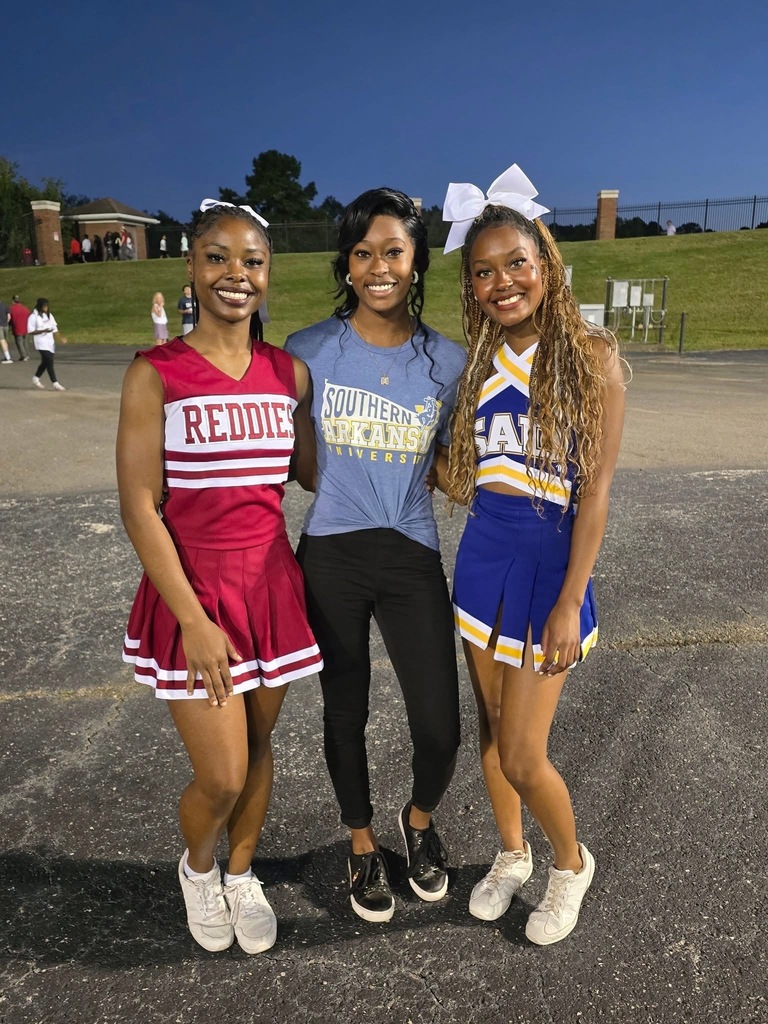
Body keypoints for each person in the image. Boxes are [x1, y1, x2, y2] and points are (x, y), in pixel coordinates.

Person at [117, 200, 323, 955]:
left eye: (253, 260)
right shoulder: (156, 374)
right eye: (219, 257)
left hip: (271, 587)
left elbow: (308, 475)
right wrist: (195, 622)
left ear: (269, 274)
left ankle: (242, 873)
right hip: (193, 598)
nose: (237, 274)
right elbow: (140, 507)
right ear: (192, 269)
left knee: (260, 749)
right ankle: (198, 866)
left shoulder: (289, 374)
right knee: (223, 774)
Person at [440, 164, 625, 945]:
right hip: (484, 556)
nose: (502, 281)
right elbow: (465, 468)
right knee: (489, 729)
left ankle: (569, 862)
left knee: (522, 751)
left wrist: (568, 598)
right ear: (472, 286)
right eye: (483, 271)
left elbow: (598, 494)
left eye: (516, 262)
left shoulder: (591, 356)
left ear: (546, 265)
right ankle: (511, 853)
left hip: (552, 564)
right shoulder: (477, 364)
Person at [285, 188, 466, 923]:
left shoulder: (447, 362)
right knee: (344, 708)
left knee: (439, 724)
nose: (378, 266)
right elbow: (297, 459)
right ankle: (361, 842)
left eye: (393, 250)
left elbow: (452, 464)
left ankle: (417, 822)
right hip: (330, 551)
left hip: (411, 550)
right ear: (347, 265)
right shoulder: (308, 349)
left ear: (416, 259)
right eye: (363, 253)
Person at [27, 298, 68, 390]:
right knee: (49, 361)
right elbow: (30, 331)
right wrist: (43, 330)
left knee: (46, 362)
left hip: (50, 342)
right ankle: (55, 383)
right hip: (40, 342)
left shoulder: (49, 316)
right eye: (44, 306)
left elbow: (55, 328)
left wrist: (60, 337)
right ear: (39, 306)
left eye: (47, 306)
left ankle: (36, 378)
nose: (46, 308)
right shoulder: (33, 317)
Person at [9, 295, 31, 360]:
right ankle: (26, 354)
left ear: (13, 301)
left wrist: (9, 325)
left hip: (17, 328)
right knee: (25, 341)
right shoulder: (25, 308)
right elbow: (29, 316)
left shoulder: (11, 309)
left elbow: (9, 318)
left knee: (19, 342)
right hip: (25, 327)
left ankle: (23, 356)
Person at [0, 297, 12, 363]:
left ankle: (8, 358)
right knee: (5, 341)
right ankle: (6, 356)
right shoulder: (5, 306)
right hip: (5, 326)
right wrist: (6, 323)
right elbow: (9, 317)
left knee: (2, 341)